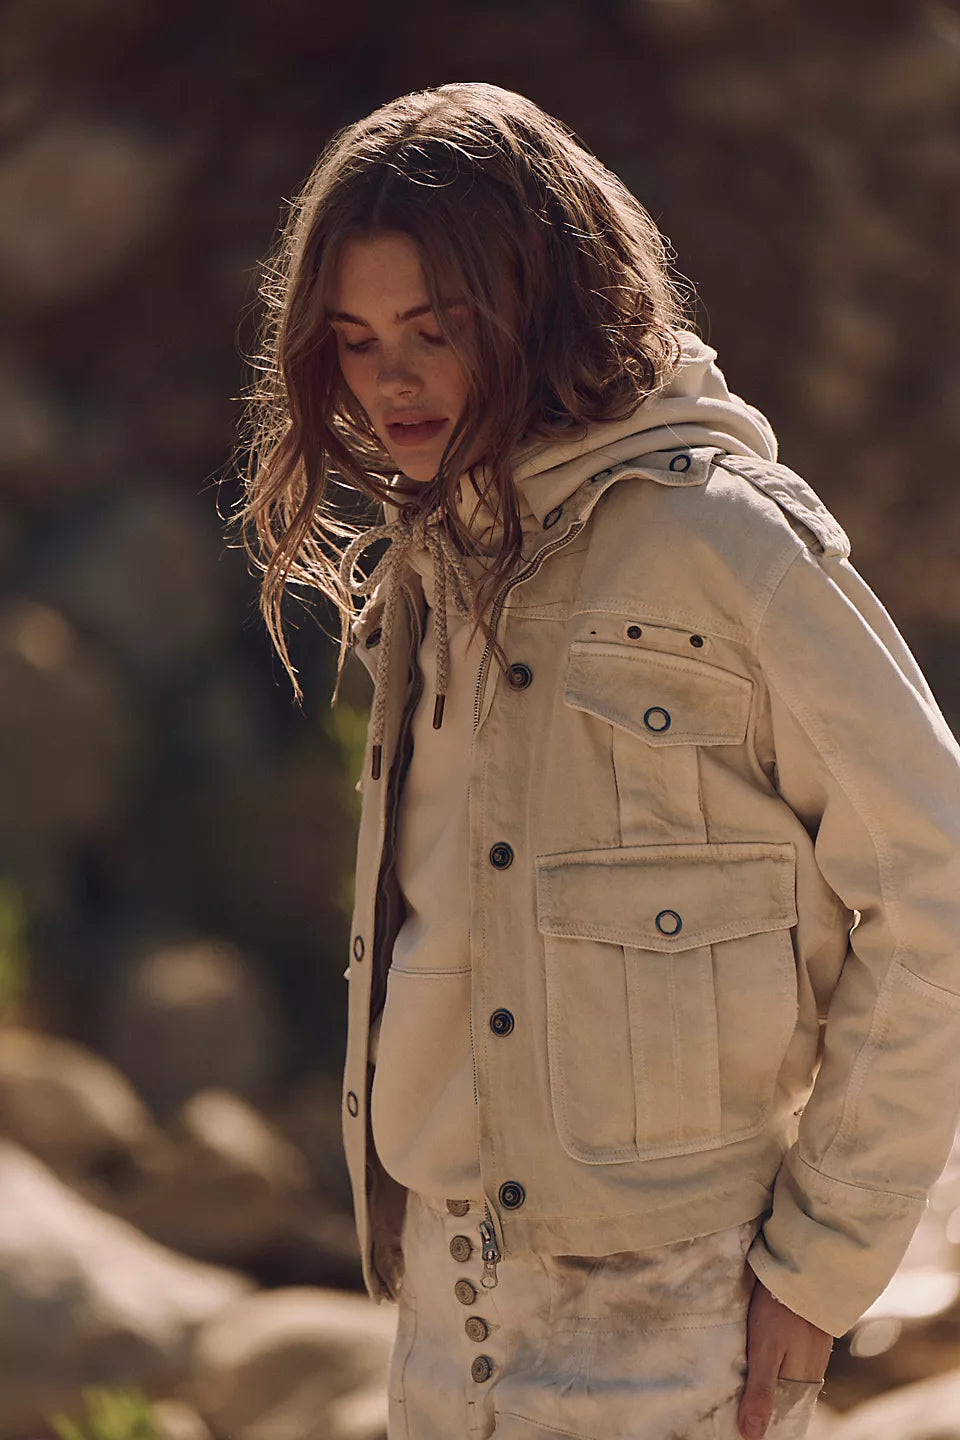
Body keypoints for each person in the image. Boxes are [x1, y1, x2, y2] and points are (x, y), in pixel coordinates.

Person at [232, 82, 960, 1440]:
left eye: (434, 334)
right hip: (441, 1318)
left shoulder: (727, 543)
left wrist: (820, 1270)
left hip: (677, 1322)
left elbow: (940, 892)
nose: (390, 380)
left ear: (536, 307)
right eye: (355, 339)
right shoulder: (439, 556)